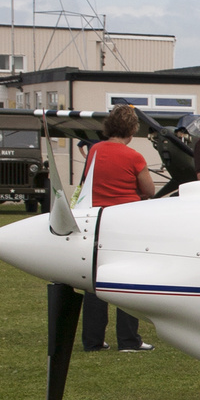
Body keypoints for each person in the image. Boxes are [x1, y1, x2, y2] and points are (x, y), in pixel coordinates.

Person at [81, 105, 156, 352]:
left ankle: (92, 340)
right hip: (126, 221)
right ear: (132, 130)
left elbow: (86, 181)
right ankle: (128, 340)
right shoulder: (134, 157)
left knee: (95, 281)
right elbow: (149, 190)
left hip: (98, 221)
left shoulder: (94, 151)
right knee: (126, 280)